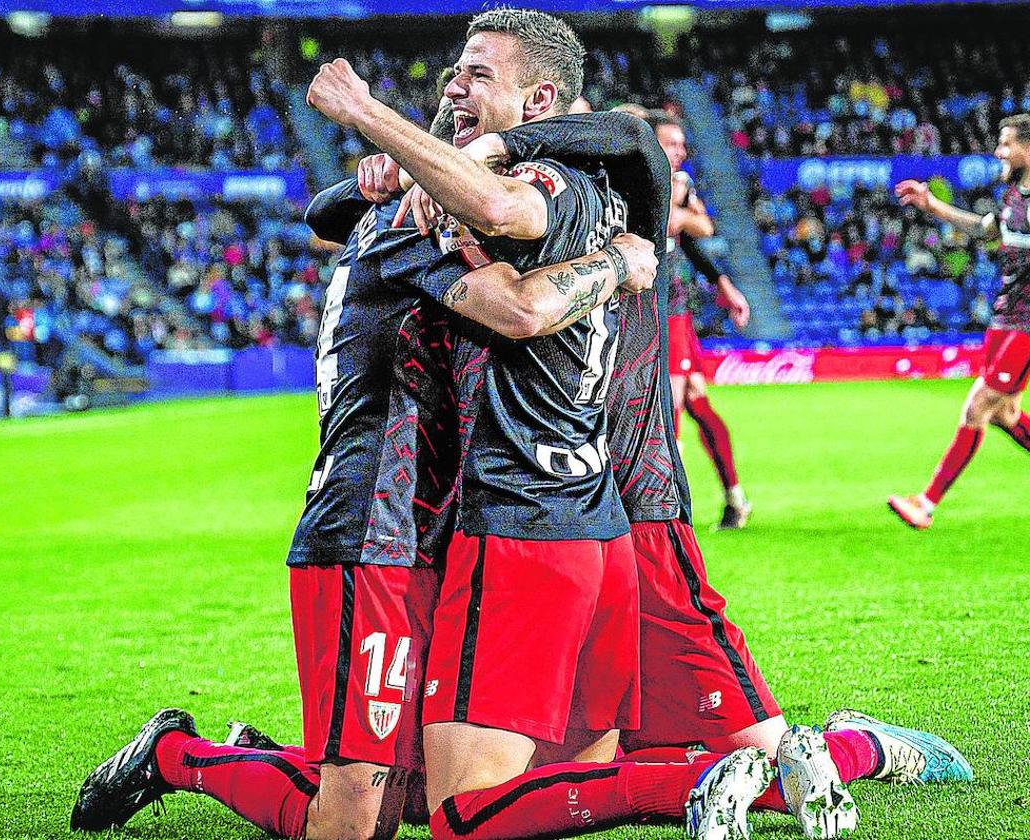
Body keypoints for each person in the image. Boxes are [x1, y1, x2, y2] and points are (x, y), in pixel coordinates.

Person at [70, 95, 663, 840]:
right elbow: (521, 308)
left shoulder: (419, 214)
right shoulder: (403, 230)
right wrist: (617, 259)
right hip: (367, 531)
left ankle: (279, 760)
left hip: (433, 528)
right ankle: (175, 755)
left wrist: (376, 177)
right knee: (351, 826)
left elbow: (334, 208)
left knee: (419, 784)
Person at [307, 12, 781, 839]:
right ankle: (775, 767)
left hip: (568, 511)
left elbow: (524, 282)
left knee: (459, 807)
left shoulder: (573, 180)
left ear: (543, 103)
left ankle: (827, 758)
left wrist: (379, 120)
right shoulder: (526, 190)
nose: (456, 86)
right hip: (590, 511)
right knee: (564, 772)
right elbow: (331, 207)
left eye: (477, 74)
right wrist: (400, 170)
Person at [501, 109, 973, 840]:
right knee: (565, 754)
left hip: (635, 496)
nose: (674, 155)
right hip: (547, 516)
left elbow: (644, 175)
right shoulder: (540, 212)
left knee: (764, 755)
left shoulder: (629, 196)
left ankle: (864, 746)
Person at [887, 113, 1030, 529]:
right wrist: (933, 205)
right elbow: (987, 230)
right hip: (1007, 315)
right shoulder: (1013, 193)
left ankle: (926, 503)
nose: (998, 151)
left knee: (978, 404)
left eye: (1005, 144)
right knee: (1004, 413)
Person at [651, 112, 754, 530]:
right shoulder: (635, 181)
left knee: (670, 403)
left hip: (671, 306)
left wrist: (722, 284)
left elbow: (701, 229)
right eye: (670, 143)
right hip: (646, 303)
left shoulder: (680, 185)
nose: (679, 151)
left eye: (681, 144)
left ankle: (668, 511)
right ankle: (734, 497)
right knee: (692, 398)